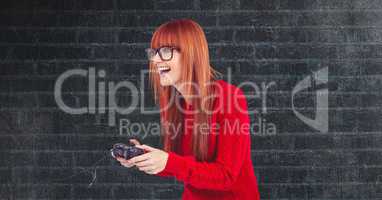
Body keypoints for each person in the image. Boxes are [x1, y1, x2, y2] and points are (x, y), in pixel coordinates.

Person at [115, 18, 260, 200]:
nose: (156, 60)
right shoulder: (175, 104)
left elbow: (226, 176)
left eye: (166, 51)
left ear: (191, 54)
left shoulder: (229, 98)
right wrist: (144, 159)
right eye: (154, 52)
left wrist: (169, 162)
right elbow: (183, 166)